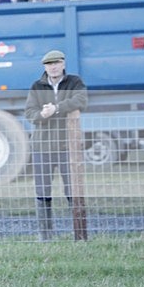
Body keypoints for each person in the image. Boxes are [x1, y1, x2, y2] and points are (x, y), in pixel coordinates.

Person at [24, 50, 88, 240]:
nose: (52, 67)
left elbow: (81, 100)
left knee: (73, 190)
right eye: (48, 64)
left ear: (63, 64)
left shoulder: (74, 82)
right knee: (42, 192)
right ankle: (46, 236)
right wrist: (42, 115)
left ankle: (80, 235)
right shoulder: (37, 86)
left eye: (56, 63)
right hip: (42, 147)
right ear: (44, 67)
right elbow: (29, 113)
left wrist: (57, 108)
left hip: (68, 148)